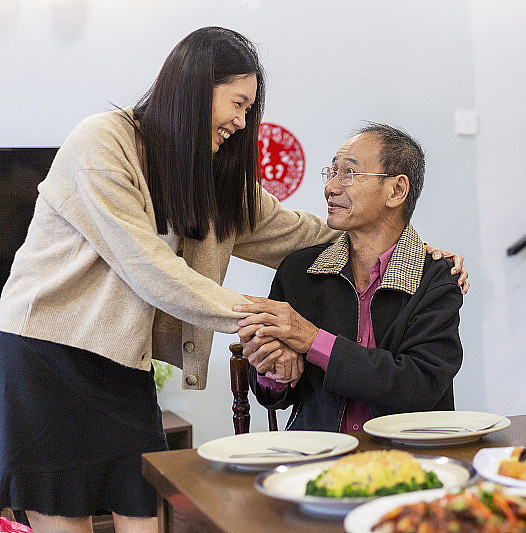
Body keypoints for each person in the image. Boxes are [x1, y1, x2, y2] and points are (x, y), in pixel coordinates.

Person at [0, 28, 467, 533]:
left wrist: (409, 248)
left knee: (142, 510)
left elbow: (299, 232)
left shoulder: (212, 179)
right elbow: (149, 269)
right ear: (196, 88)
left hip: (122, 357)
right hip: (45, 351)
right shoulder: (103, 141)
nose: (242, 122)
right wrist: (274, 324)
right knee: (62, 511)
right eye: (238, 103)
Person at [236, 123, 463, 432]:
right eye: (331, 173)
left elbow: (418, 388)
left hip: (404, 460)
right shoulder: (299, 270)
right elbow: (272, 394)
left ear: (396, 190)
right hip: (317, 457)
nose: (330, 187)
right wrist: (272, 370)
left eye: (349, 173)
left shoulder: (436, 278)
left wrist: (313, 339)